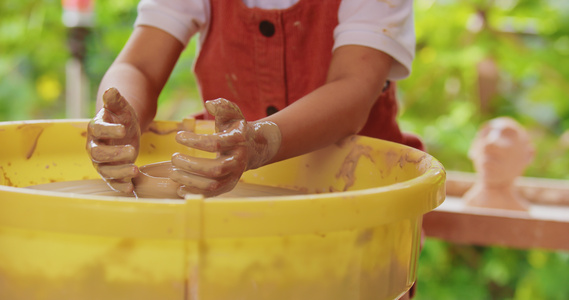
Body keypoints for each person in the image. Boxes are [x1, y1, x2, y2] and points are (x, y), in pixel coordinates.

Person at [86, 0, 422, 198]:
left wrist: (263, 141)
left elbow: (353, 88)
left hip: (356, 190)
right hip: (230, 198)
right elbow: (138, 66)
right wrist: (116, 117)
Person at [464, 117, 535, 211]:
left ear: (528, 155)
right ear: (472, 150)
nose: (491, 142)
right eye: (485, 133)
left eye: (508, 134)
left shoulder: (518, 210)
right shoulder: (469, 202)